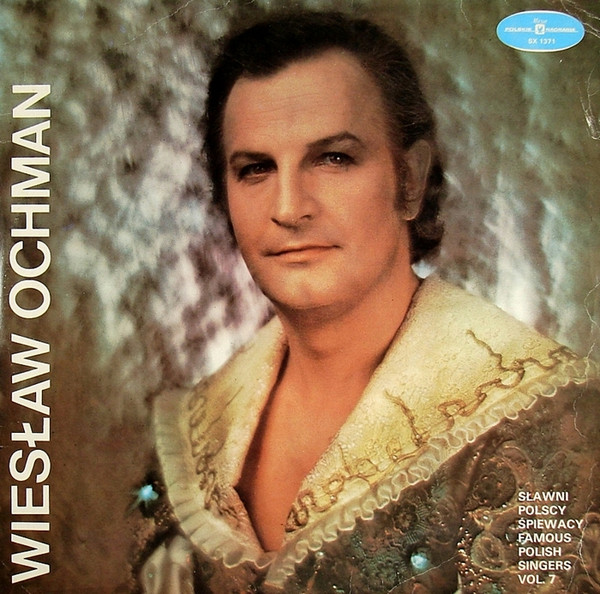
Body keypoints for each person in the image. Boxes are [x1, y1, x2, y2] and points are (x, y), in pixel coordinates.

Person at [137, 11, 600, 593]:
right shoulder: (187, 440)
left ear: (410, 180)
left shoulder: (550, 421)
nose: (289, 208)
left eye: (333, 158)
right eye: (255, 169)